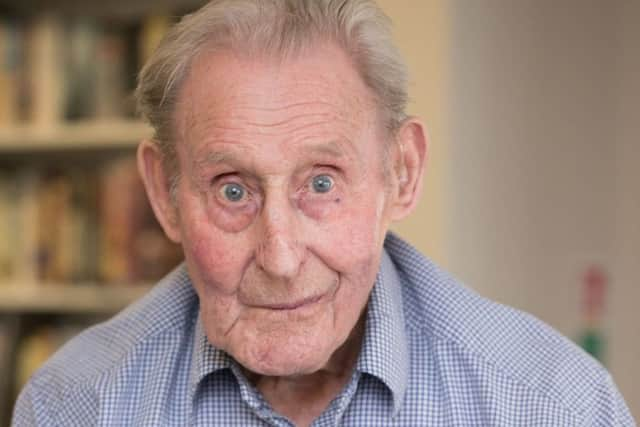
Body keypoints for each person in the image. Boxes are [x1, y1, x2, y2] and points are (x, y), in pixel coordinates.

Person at [13, 0, 636, 426]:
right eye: (233, 190)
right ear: (164, 194)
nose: (281, 259)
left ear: (402, 173)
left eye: (321, 182)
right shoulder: (76, 403)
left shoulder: (551, 404)